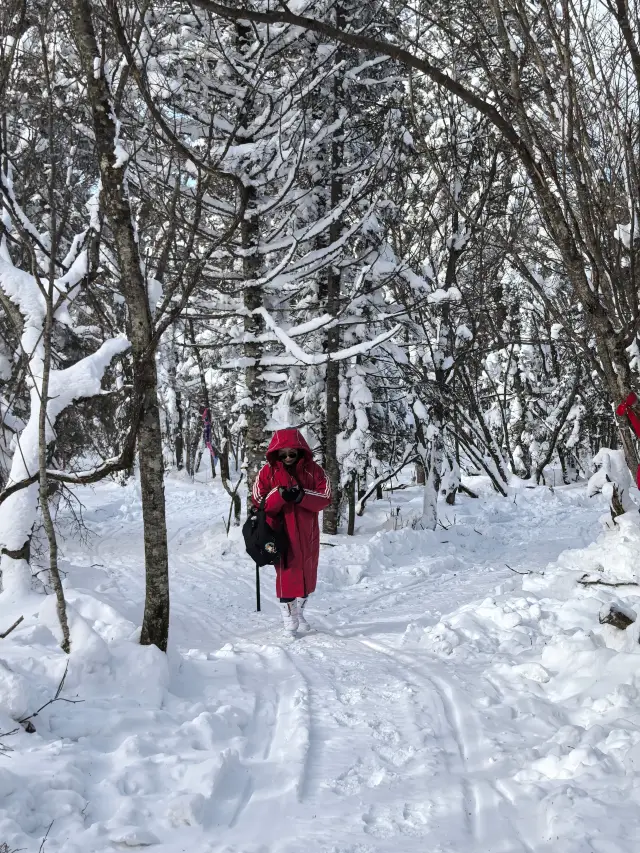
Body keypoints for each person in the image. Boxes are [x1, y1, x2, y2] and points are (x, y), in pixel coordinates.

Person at [252, 428, 331, 636]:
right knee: (286, 575)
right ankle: (289, 619)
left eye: (292, 453)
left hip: (307, 532)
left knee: (307, 574)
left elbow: (326, 496)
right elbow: (258, 500)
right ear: (276, 454)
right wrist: (279, 495)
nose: (287, 458)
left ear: (300, 451)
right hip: (280, 533)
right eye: (283, 454)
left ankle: (299, 612)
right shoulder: (267, 472)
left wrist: (301, 497)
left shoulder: (314, 471)